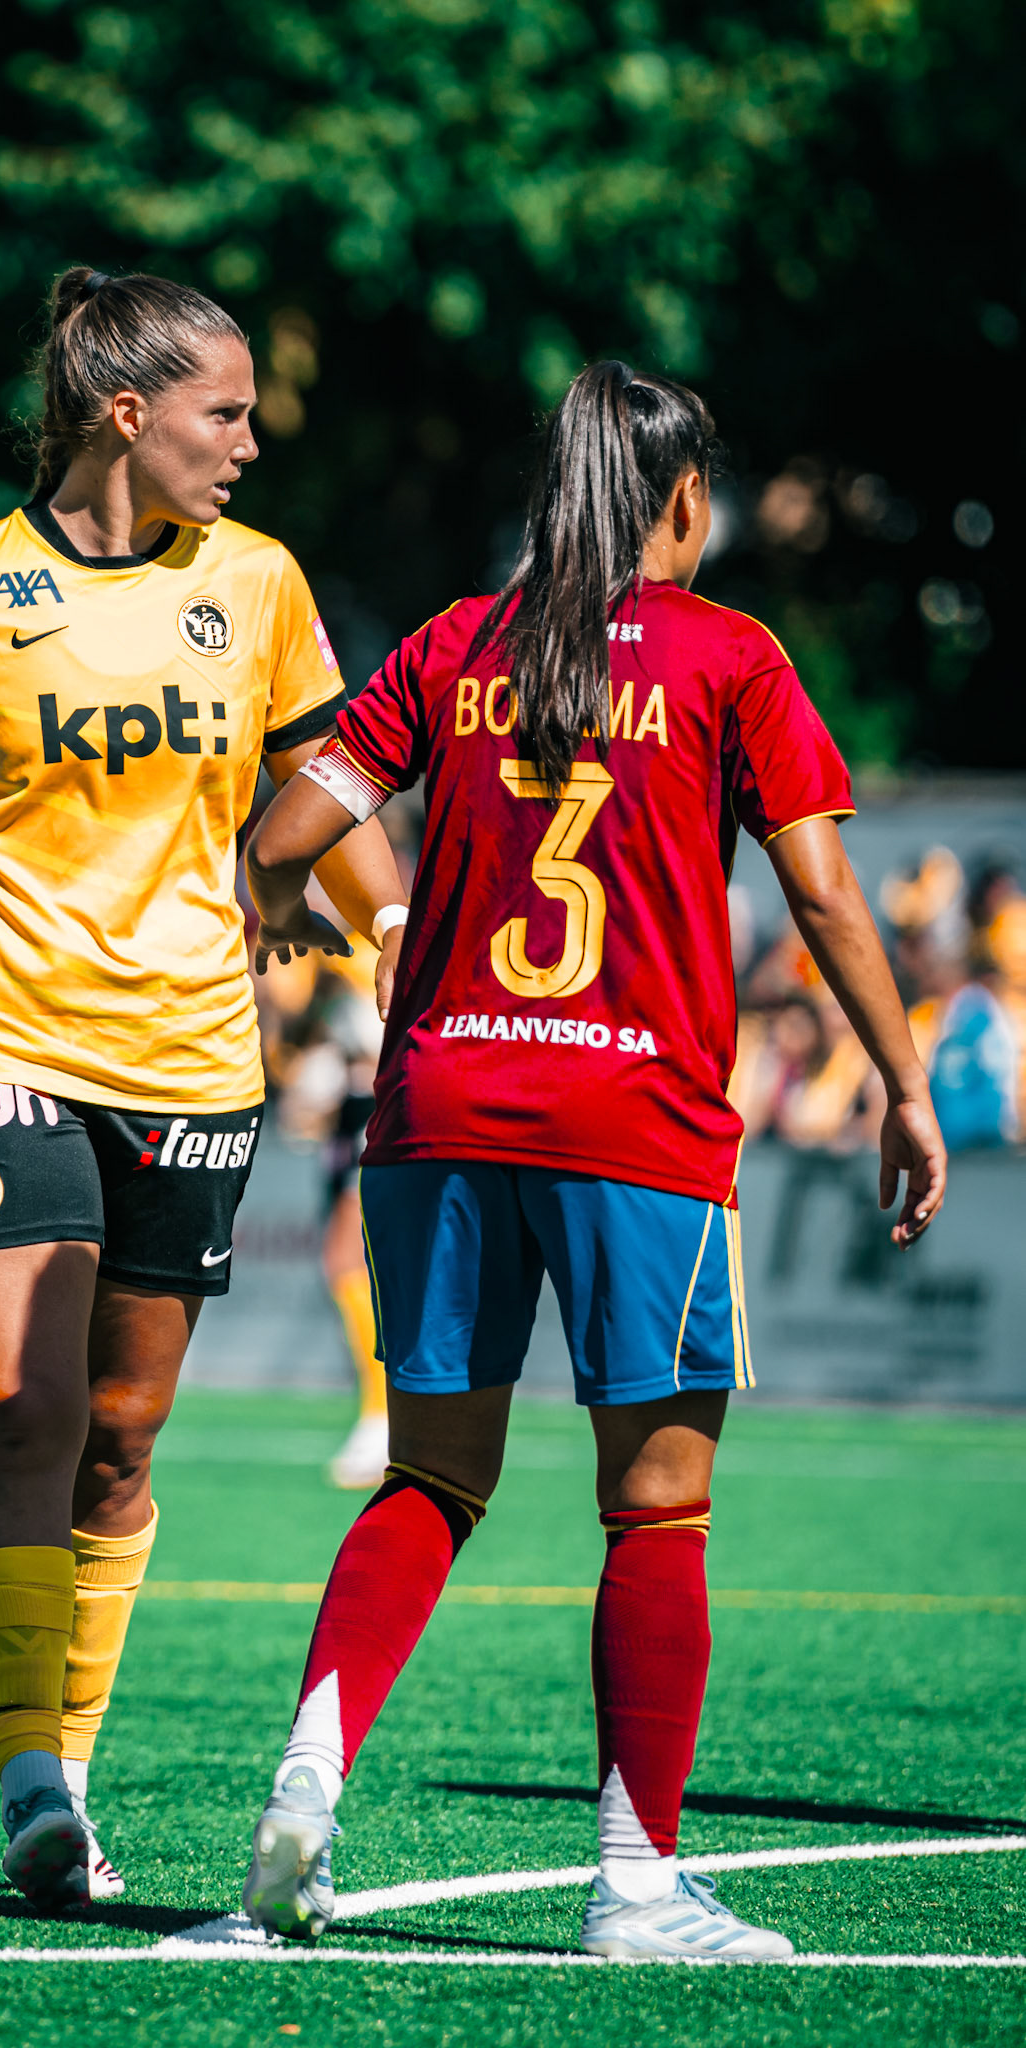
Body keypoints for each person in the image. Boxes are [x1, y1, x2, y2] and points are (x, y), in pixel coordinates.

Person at [240, 361, 947, 1960]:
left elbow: (285, 831)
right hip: (634, 1122)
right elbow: (830, 898)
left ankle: (304, 1786)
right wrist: (900, 1086)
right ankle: (634, 1888)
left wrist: (288, 909)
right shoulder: (727, 658)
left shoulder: (452, 644)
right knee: (656, 1511)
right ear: (684, 500)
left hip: (437, 1113)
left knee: (429, 1476)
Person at [0, 267, 407, 1912]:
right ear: (127, 415)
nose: (251, 445)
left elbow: (323, 789)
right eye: (225, 413)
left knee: (119, 1442)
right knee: (17, 1415)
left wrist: (396, 939)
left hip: (194, 1056)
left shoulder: (257, 586)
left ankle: (77, 1761)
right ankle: (34, 1791)